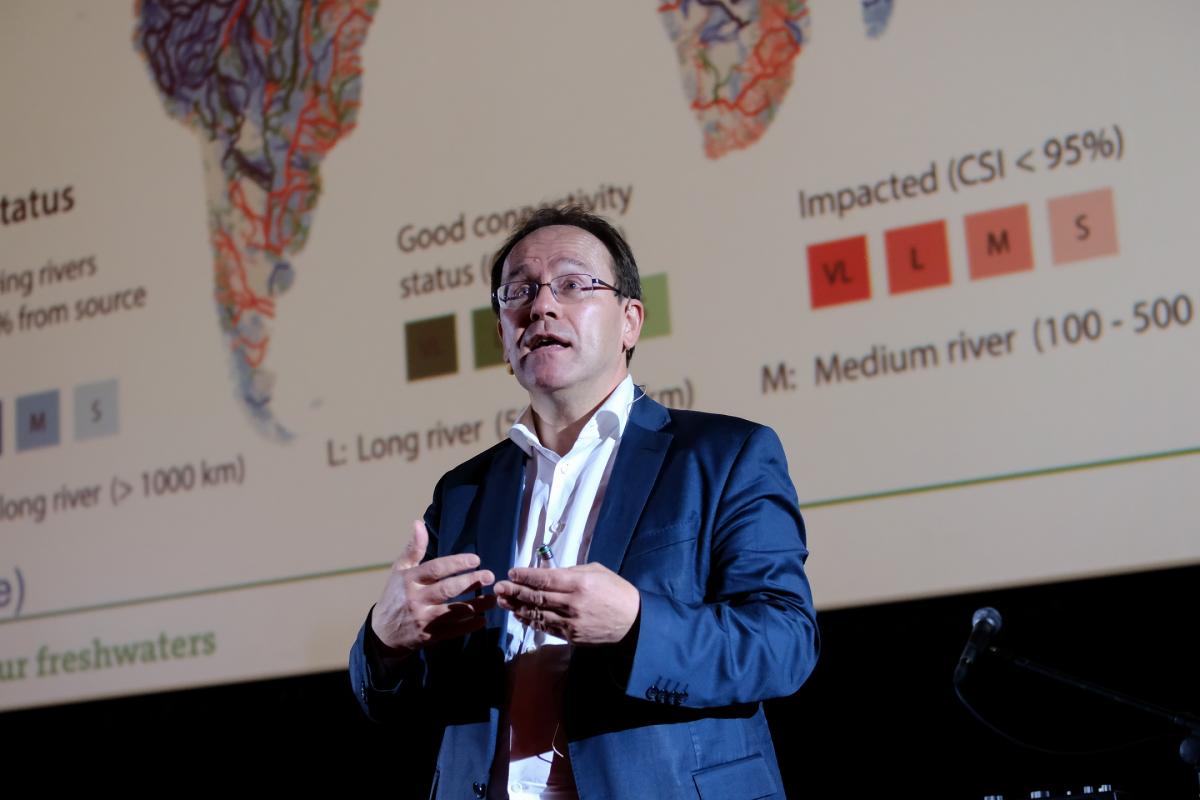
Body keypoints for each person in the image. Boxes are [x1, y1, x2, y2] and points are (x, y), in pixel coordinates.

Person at [350, 206, 818, 799]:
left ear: (629, 322)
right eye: (519, 291)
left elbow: (784, 643)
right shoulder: (465, 490)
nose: (541, 306)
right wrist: (385, 642)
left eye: (572, 284)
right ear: (502, 338)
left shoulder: (724, 455)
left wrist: (637, 624)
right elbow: (402, 703)